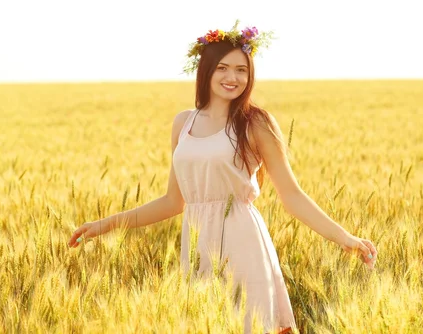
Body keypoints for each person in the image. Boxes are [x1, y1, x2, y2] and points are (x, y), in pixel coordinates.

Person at [67, 21, 378, 334]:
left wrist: (346, 240)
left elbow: (292, 195)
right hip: (198, 244)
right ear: (206, 71)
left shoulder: (255, 123)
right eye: (223, 68)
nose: (233, 78)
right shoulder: (183, 124)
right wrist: (106, 224)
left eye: (242, 70)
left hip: (243, 242)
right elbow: (173, 202)